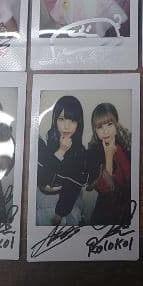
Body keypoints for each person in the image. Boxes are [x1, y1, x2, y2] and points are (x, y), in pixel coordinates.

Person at [37, 95, 88, 226]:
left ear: (79, 123)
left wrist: (60, 213)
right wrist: (61, 151)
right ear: (55, 119)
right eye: (61, 119)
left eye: (72, 120)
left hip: (65, 209)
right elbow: (43, 179)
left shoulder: (80, 153)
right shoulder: (47, 143)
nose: (66, 126)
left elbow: (73, 188)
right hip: (42, 203)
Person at [85, 103, 132, 225]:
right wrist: (109, 156)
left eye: (109, 124)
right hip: (106, 212)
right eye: (100, 127)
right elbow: (105, 188)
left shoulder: (127, 145)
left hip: (128, 210)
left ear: (116, 124)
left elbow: (131, 178)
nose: (105, 131)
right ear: (95, 130)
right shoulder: (92, 153)